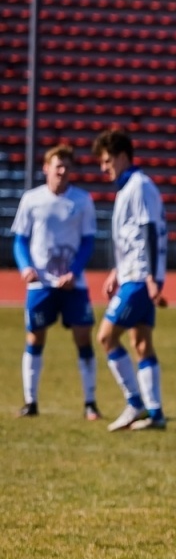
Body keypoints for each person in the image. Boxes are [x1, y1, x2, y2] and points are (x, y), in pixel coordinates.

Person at [11, 145, 100, 419]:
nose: (61, 171)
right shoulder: (31, 199)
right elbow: (20, 239)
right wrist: (26, 267)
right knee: (35, 337)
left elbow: (87, 241)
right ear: (46, 168)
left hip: (73, 284)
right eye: (57, 165)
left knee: (83, 338)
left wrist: (74, 271)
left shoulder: (83, 201)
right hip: (40, 284)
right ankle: (31, 401)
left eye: (66, 166)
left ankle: (90, 403)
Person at [93, 130, 169, 432]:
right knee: (140, 343)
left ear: (123, 156)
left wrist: (149, 278)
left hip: (139, 277)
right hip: (132, 273)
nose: (104, 167)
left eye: (108, 160)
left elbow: (149, 231)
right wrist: (116, 270)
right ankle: (155, 413)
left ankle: (135, 402)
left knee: (106, 337)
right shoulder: (130, 187)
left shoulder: (139, 186)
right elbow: (131, 236)